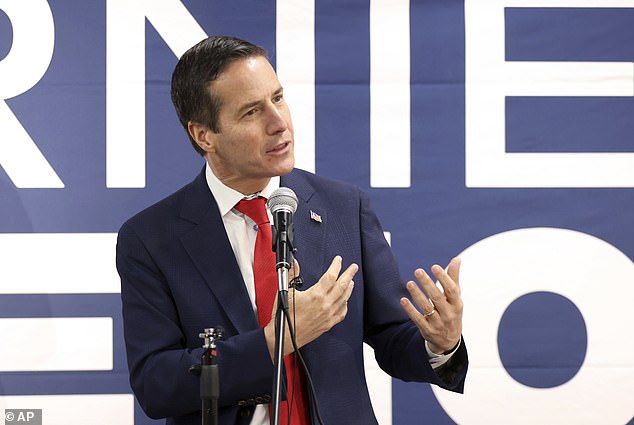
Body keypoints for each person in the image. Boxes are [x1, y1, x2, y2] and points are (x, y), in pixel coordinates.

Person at [116, 35, 467, 425]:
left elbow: (392, 337)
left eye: (278, 98)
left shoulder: (344, 208)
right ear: (203, 135)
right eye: (251, 112)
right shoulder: (151, 238)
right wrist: (275, 339)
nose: (278, 122)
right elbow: (156, 383)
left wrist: (441, 343)